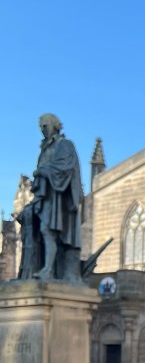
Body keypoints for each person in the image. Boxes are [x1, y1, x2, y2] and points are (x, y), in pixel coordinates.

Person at [32, 113, 83, 281]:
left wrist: (43, 171)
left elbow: (64, 167)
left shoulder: (64, 144)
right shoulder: (45, 147)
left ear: (54, 125)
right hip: (46, 194)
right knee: (43, 232)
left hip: (59, 197)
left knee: (48, 231)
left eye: (44, 126)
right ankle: (47, 269)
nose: (42, 130)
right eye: (40, 127)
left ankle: (48, 270)